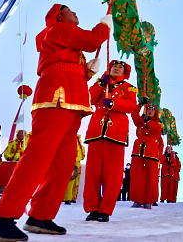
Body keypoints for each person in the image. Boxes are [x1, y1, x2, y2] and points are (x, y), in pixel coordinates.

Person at [0, 4, 110, 241]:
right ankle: (2, 217)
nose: (76, 13)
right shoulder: (59, 28)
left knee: (63, 163)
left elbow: (68, 64)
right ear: (59, 14)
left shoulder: (62, 36)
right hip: (57, 98)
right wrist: (104, 25)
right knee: (38, 157)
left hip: (70, 99)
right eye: (71, 10)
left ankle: (40, 215)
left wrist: (87, 72)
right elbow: (93, 40)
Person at [83, 60, 138, 222]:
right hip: (96, 132)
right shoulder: (101, 82)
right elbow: (89, 99)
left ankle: (105, 210)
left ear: (124, 72)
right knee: (93, 174)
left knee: (112, 175)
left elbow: (131, 106)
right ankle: (92, 208)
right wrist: (101, 83)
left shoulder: (129, 88)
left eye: (120, 67)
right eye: (114, 66)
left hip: (116, 133)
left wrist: (114, 103)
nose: (116, 68)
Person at [129, 102, 162, 209]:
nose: (150, 111)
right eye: (148, 109)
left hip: (151, 151)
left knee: (150, 177)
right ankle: (137, 199)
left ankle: (148, 200)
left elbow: (156, 131)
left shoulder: (158, 123)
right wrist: (140, 104)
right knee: (137, 176)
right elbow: (134, 114)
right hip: (138, 150)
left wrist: (148, 121)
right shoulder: (140, 121)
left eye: (152, 110)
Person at [63, 135, 85, 205]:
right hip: (71, 165)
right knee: (70, 183)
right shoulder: (69, 146)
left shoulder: (81, 147)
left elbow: (82, 156)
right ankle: (67, 198)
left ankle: (73, 198)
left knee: (76, 183)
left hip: (77, 166)